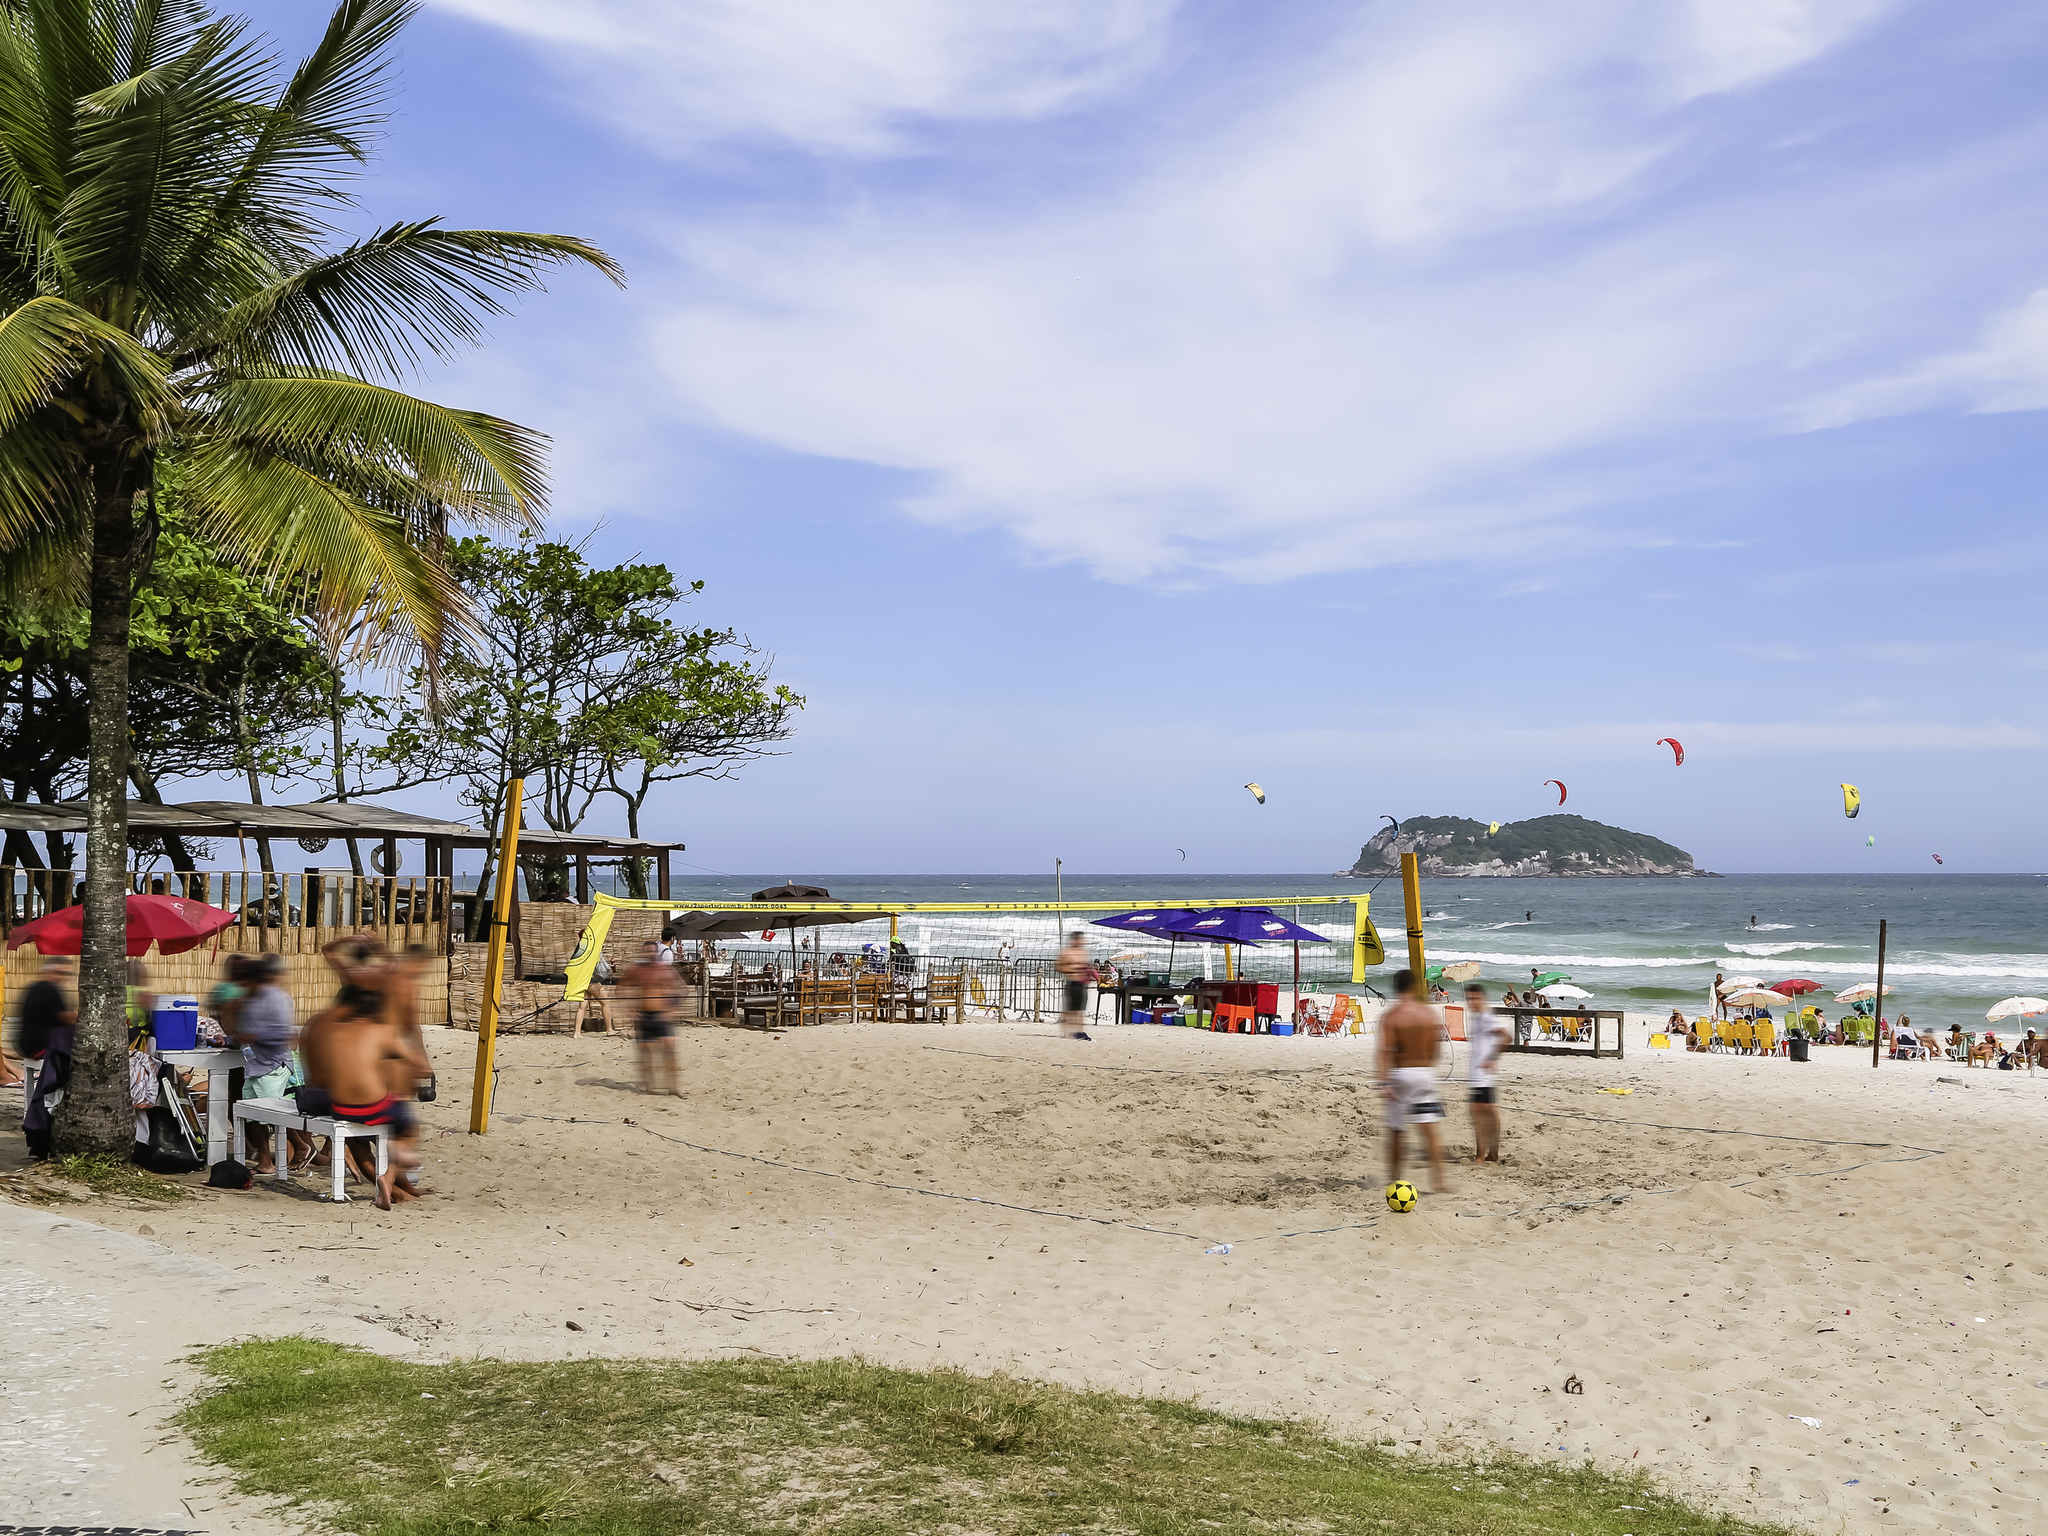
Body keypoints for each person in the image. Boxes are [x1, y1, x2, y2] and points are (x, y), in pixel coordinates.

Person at [299, 953, 427, 1210]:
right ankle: (390, 1180)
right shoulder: (379, 1029)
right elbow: (419, 1065)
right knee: (405, 1125)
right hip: (371, 1104)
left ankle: (401, 1189)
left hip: (336, 1104)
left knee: (359, 1140)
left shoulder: (325, 1026)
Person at [233, 954, 308, 1174]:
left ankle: (301, 1146)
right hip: (254, 1064)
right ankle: (266, 1161)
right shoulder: (250, 999)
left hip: (273, 1065)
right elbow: (243, 1031)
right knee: (251, 1115)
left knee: (272, 1115)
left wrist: (252, 1036)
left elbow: (284, 1036)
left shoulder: (277, 999)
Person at [1376, 969, 1447, 1194]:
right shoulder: (1429, 1015)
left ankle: (1394, 1179)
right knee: (1429, 1130)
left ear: (1396, 988)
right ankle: (1438, 1182)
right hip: (1425, 1073)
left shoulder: (1393, 1015)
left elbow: (1384, 1052)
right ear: (1415, 987)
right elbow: (1436, 1051)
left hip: (1401, 1075)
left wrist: (1384, 1082)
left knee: (1397, 1130)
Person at [628, 939, 683, 1096]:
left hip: (662, 1016)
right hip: (644, 1017)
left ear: (657, 952)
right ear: (643, 953)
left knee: (669, 1051)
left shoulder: (665, 970)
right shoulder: (637, 971)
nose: (650, 954)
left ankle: (674, 1088)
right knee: (646, 1054)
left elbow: (681, 990)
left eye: (653, 951)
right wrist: (630, 1010)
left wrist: (672, 1009)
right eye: (647, 951)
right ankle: (649, 1087)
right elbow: (621, 989)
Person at [1465, 983, 1509, 1164]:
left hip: (1482, 1075)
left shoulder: (1485, 1017)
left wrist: (1492, 1058)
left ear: (1481, 998)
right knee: (1483, 1113)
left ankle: (1483, 1155)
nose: (1470, 1002)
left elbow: (1506, 1036)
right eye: (1468, 998)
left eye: (1474, 998)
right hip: (1477, 1074)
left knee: (1483, 1114)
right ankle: (1488, 1154)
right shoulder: (1477, 1017)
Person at [571, 952, 618, 1037]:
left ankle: (577, 1033)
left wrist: (611, 966)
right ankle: (609, 1030)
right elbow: (601, 969)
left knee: (582, 1007)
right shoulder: (595, 950)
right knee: (605, 1003)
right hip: (592, 981)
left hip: (583, 980)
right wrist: (611, 966)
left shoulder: (581, 951)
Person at [1057, 933, 1093, 1041]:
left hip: (1082, 984)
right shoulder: (1067, 952)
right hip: (1072, 982)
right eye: (1080, 940)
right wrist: (1071, 970)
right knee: (1070, 1010)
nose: (1082, 942)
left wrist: (1088, 974)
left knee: (1081, 1009)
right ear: (1074, 940)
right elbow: (1058, 966)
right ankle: (1066, 1032)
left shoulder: (1083, 953)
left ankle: (1079, 1031)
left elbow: (1087, 967)